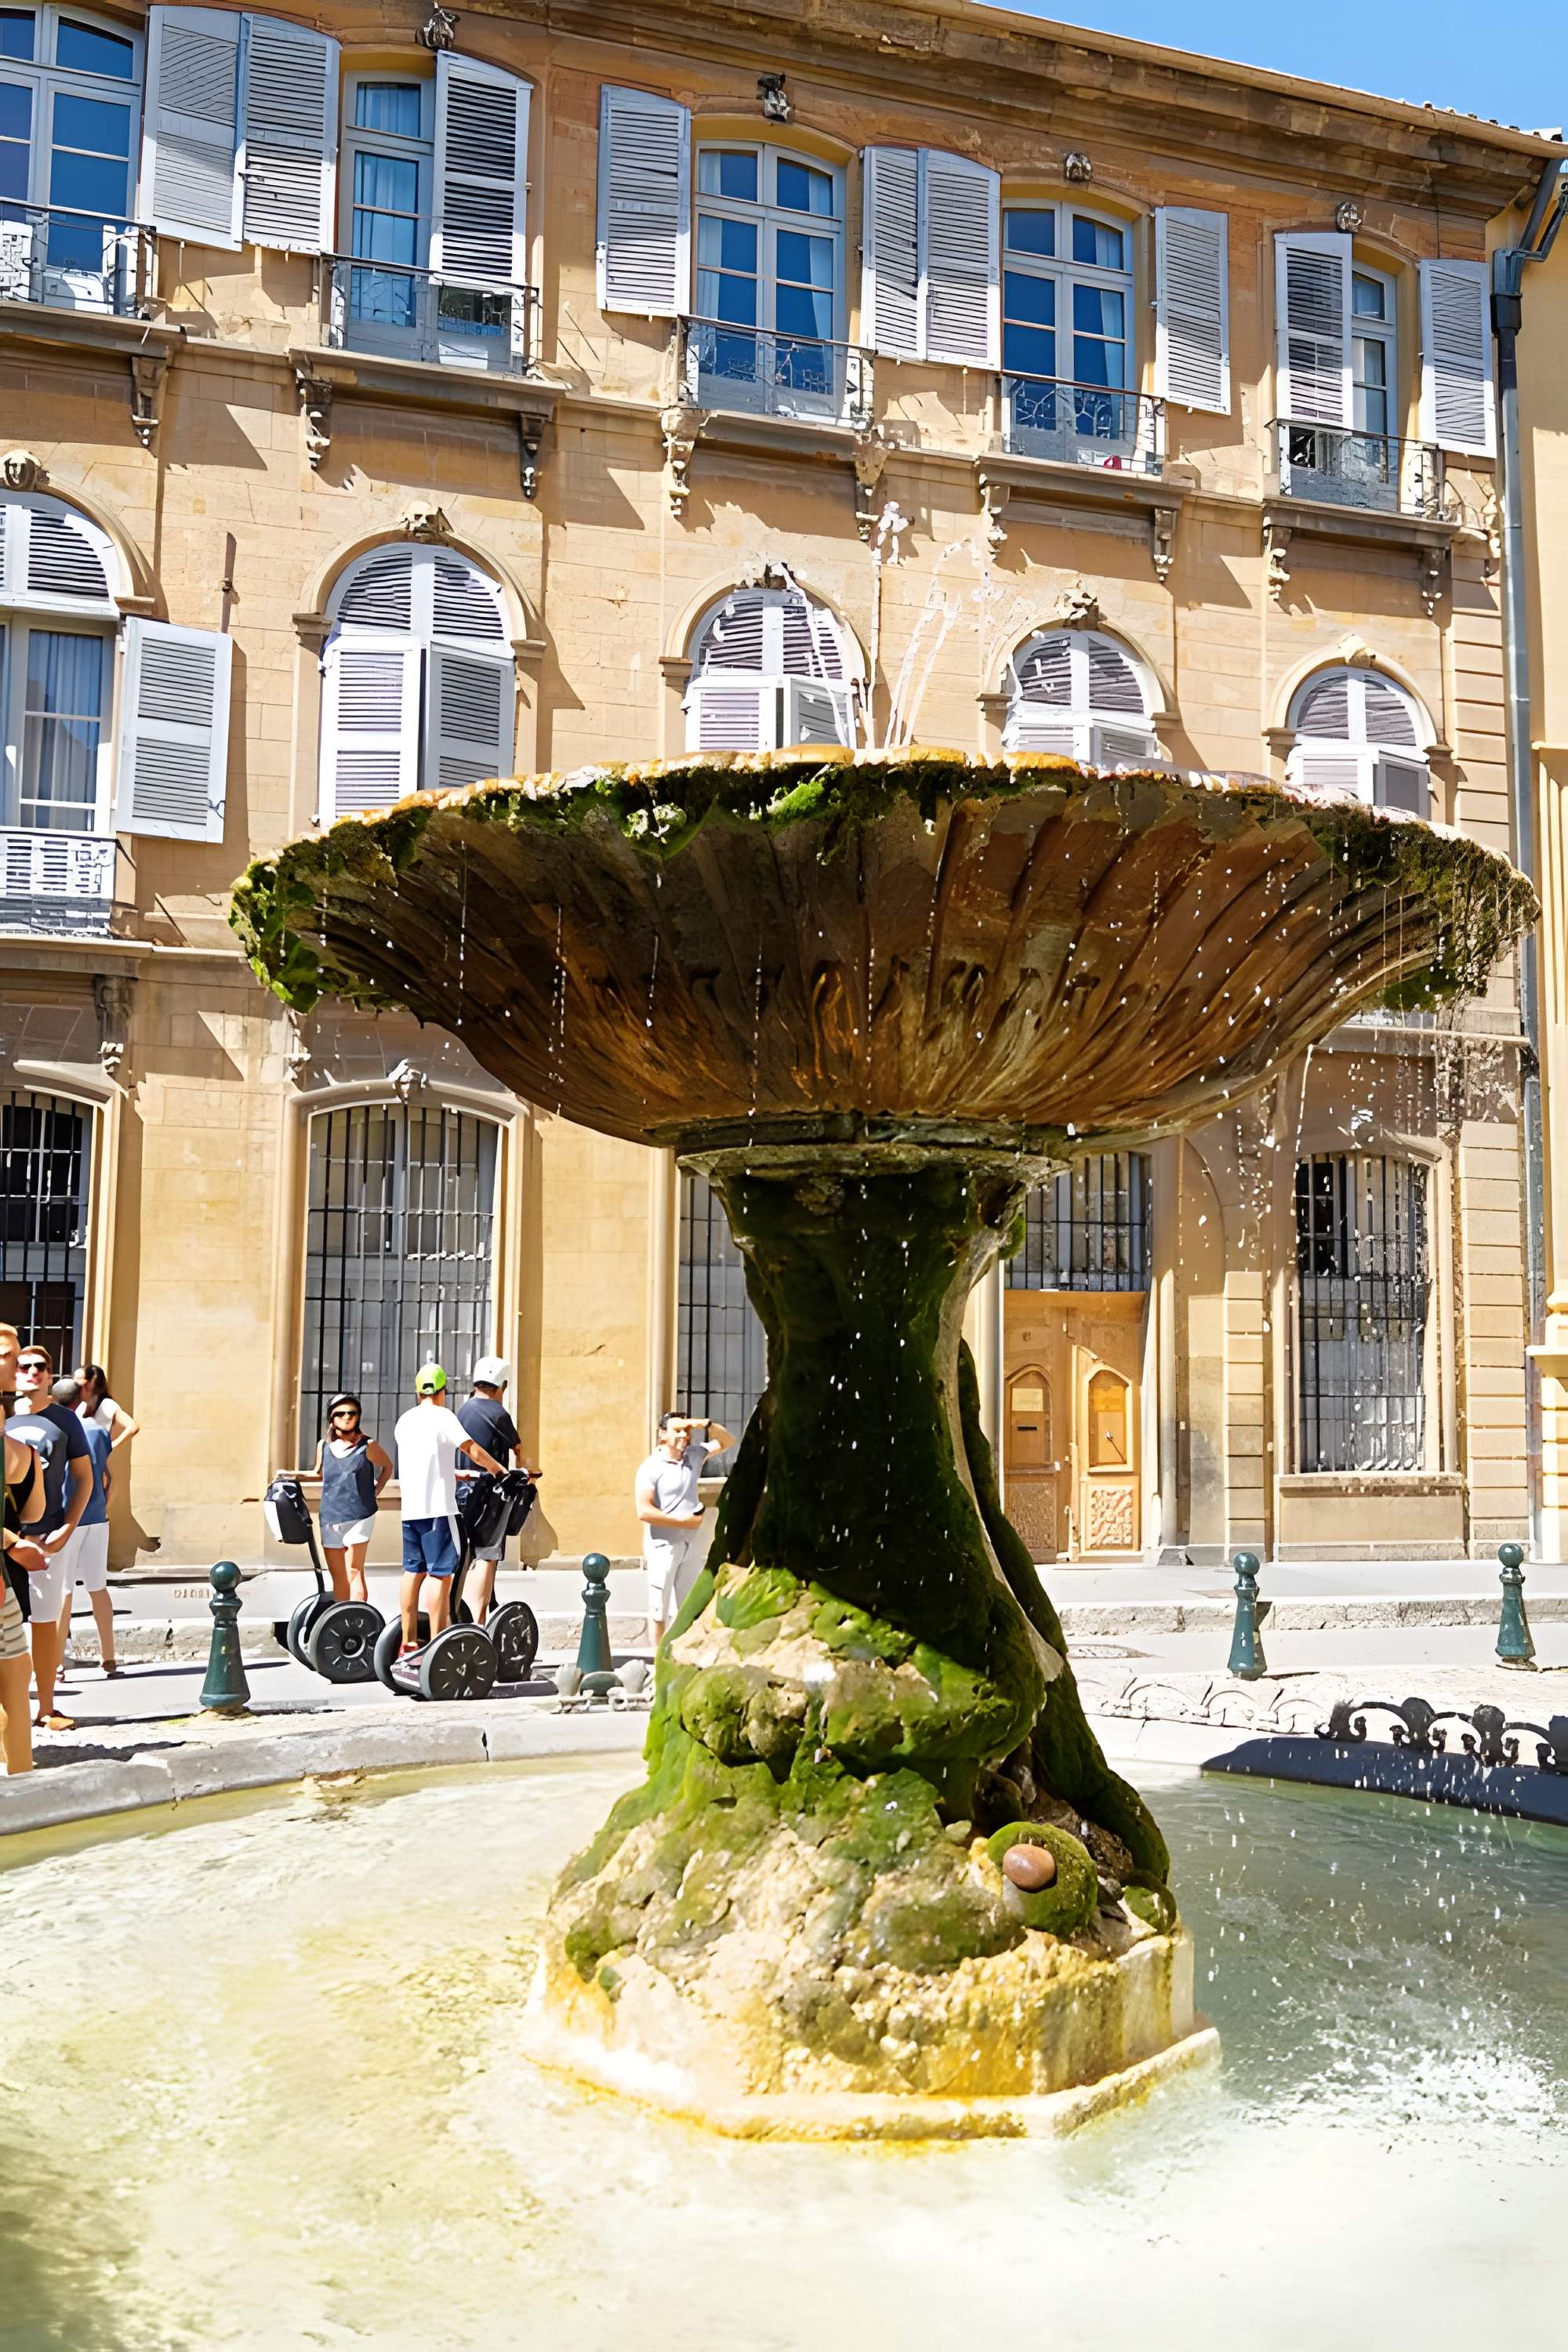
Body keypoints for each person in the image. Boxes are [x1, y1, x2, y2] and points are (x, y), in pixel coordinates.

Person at [393, 1363, 502, 1660]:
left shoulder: (405, 1421)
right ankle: (438, 1640)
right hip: (439, 1511)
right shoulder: (444, 1417)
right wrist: (498, 1469)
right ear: (443, 1391)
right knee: (441, 1575)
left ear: (418, 1392)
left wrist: (453, 1474)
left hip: (411, 1511)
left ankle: (409, 1641)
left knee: (413, 1571)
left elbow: (424, 1459)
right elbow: (473, 1451)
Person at [10, 1341, 93, 1731]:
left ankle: (45, 1707)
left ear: (50, 1372)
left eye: (40, 1366)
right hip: (7, 1537)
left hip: (46, 1536)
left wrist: (68, 1527)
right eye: (23, 1365)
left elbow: (84, 1477)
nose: (32, 1372)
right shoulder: (3, 1418)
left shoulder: (65, 1421)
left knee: (44, 1620)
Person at [635, 1411, 735, 1647]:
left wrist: (706, 1424)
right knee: (659, 1607)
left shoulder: (694, 1455)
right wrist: (684, 1522)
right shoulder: (651, 1467)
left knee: (687, 1605)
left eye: (686, 1431)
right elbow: (644, 1510)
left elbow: (728, 1442)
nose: (683, 1435)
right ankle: (658, 1659)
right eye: (677, 1430)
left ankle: (682, 1654)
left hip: (691, 1545)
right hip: (663, 1546)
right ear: (662, 1435)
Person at [456, 1356, 539, 1625]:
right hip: (490, 1493)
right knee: (487, 1554)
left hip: (461, 1490)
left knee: (468, 1553)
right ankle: (477, 1622)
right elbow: (518, 1449)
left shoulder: (463, 1410)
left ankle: (468, 1612)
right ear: (502, 1385)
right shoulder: (498, 1413)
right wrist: (529, 1473)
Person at [0, 1322, 45, 1773]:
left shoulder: (23, 1450)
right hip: (9, 1572)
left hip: (7, 1584)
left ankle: (20, 1785)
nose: (18, 1364)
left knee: (17, 1674)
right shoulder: (24, 1451)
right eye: (7, 1356)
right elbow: (30, 1520)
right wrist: (16, 1543)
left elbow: (35, 1514)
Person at [53, 1376, 119, 1677]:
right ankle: (109, 1657)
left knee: (63, 1590)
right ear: (80, 1400)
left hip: (68, 1516)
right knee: (98, 1586)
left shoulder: (55, 1430)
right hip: (97, 1515)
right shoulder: (97, 1430)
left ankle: (55, 1664)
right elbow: (108, 1476)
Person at [301, 1393, 392, 1603]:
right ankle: (343, 1617)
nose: (347, 1417)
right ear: (331, 1419)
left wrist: (375, 1492)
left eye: (352, 1413)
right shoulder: (323, 1446)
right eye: (340, 1413)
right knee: (338, 1576)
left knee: (354, 1571)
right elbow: (318, 1473)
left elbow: (388, 1466)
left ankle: (359, 1618)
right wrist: (290, 1476)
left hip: (360, 1516)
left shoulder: (368, 1445)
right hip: (330, 1516)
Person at [74, 1364, 139, 1456]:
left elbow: (133, 1427)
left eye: (79, 1385)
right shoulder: (82, 1406)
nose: (76, 1388)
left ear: (91, 1383)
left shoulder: (107, 1405)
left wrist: (110, 1447)